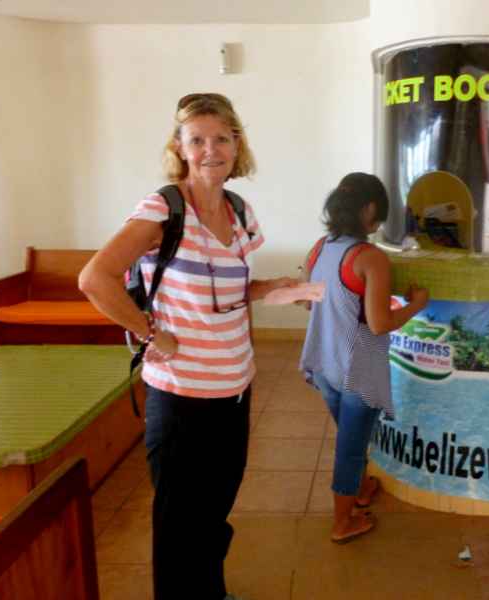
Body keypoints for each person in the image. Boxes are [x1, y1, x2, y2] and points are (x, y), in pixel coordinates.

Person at [79, 93, 296, 600]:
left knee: (214, 512)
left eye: (221, 138)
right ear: (179, 147)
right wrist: (151, 331)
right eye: (196, 139)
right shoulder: (163, 208)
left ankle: (211, 592)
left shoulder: (241, 211)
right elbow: (95, 278)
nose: (210, 149)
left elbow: (230, 292)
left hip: (234, 390)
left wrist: (279, 290)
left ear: (237, 144)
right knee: (180, 524)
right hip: (180, 398)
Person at [299, 172, 429, 543]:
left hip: (323, 363)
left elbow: (311, 305)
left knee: (349, 436)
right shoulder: (369, 258)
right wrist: (416, 306)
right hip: (357, 368)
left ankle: (357, 488)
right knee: (351, 448)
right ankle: (344, 521)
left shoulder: (319, 248)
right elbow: (379, 323)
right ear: (370, 210)